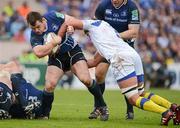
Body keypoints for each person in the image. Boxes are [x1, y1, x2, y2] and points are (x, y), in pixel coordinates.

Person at [57, 16, 180, 125]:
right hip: (132, 54)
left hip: (121, 58)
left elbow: (69, 21)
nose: (87, 35)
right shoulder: (107, 29)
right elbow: (94, 62)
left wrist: (68, 30)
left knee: (132, 98)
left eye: (86, 33)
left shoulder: (91, 24)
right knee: (141, 93)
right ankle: (172, 107)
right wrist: (73, 66)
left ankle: (165, 112)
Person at [26, 11, 109, 120]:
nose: (36, 30)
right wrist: (53, 43)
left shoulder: (52, 16)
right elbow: (38, 53)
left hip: (73, 52)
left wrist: (71, 27)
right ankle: (45, 114)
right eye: (33, 29)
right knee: (49, 85)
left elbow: (70, 20)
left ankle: (102, 106)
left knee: (86, 79)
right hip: (56, 58)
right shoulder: (34, 35)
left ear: (43, 21)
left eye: (38, 27)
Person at [91, 0, 141, 120]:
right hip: (108, 46)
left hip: (124, 48)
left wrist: (114, 36)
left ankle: (129, 109)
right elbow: (95, 22)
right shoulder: (103, 5)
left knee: (125, 79)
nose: (114, 0)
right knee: (98, 74)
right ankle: (99, 106)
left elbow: (133, 32)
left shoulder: (132, 7)